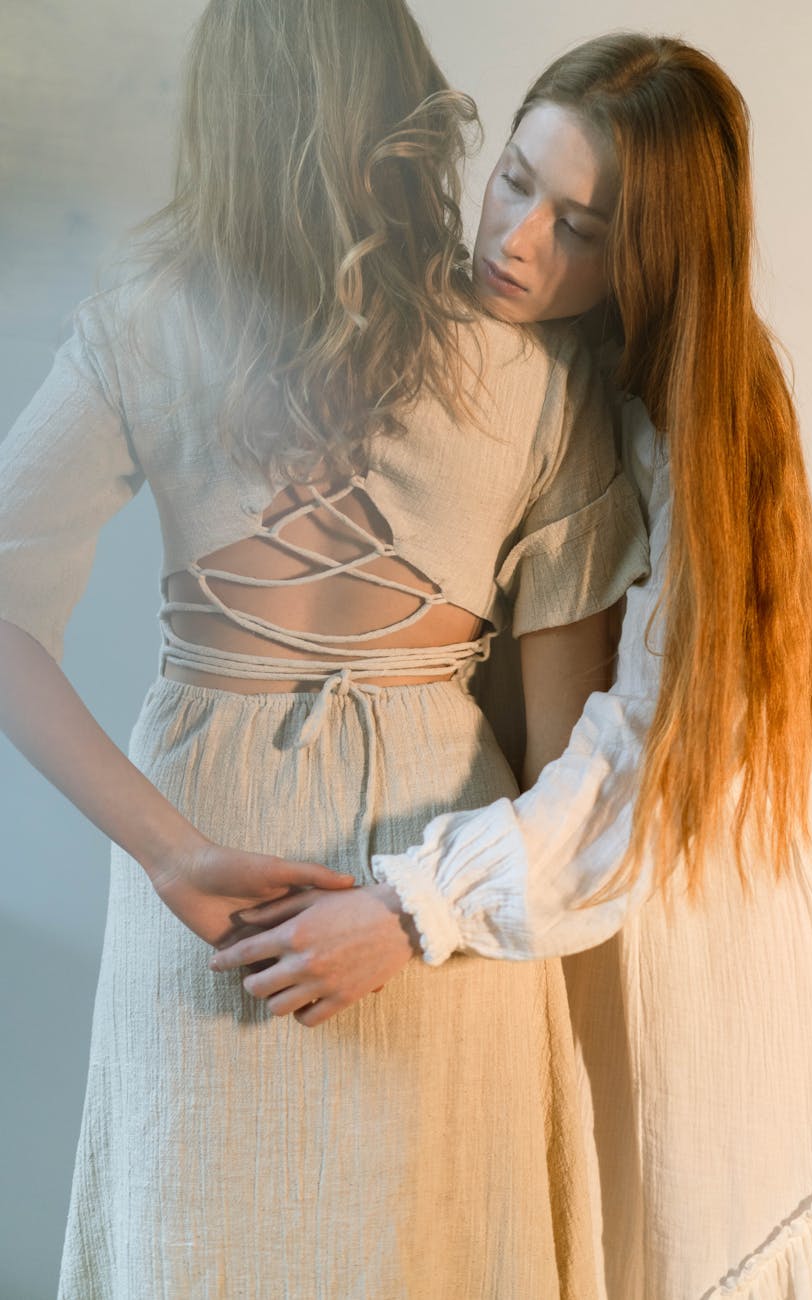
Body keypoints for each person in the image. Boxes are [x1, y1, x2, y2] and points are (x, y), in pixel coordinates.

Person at [0, 4, 650, 1298]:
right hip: (433, 881)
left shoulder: (147, 311)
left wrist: (172, 848)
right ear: (413, 108)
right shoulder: (537, 363)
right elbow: (567, 764)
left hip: (202, 865)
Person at [215, 33, 812, 1298]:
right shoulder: (485, 344)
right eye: (516, 179)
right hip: (543, 904)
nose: (517, 239)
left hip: (666, 936)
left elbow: (641, 765)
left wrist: (412, 907)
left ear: (653, 251)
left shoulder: (702, 414)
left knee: (649, 1231)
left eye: (581, 225)